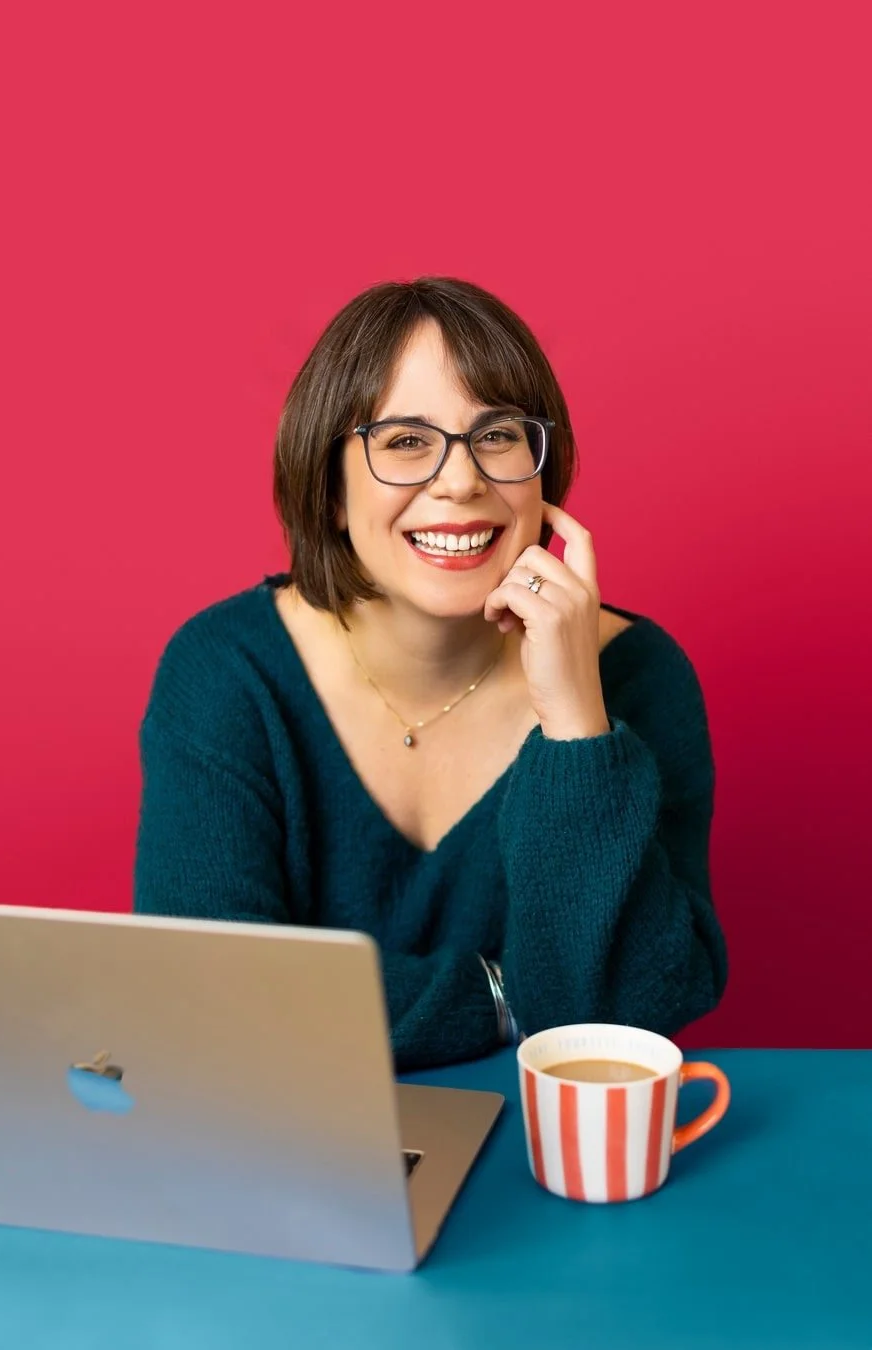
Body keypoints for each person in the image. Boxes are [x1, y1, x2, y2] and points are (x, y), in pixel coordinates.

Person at [133, 276, 728, 1071]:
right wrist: (503, 995)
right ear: (331, 489)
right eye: (406, 441)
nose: (460, 481)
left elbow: (624, 1022)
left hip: (541, 1160)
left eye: (498, 435)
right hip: (297, 1159)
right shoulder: (225, 672)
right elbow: (209, 1005)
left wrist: (577, 723)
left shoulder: (638, 675)